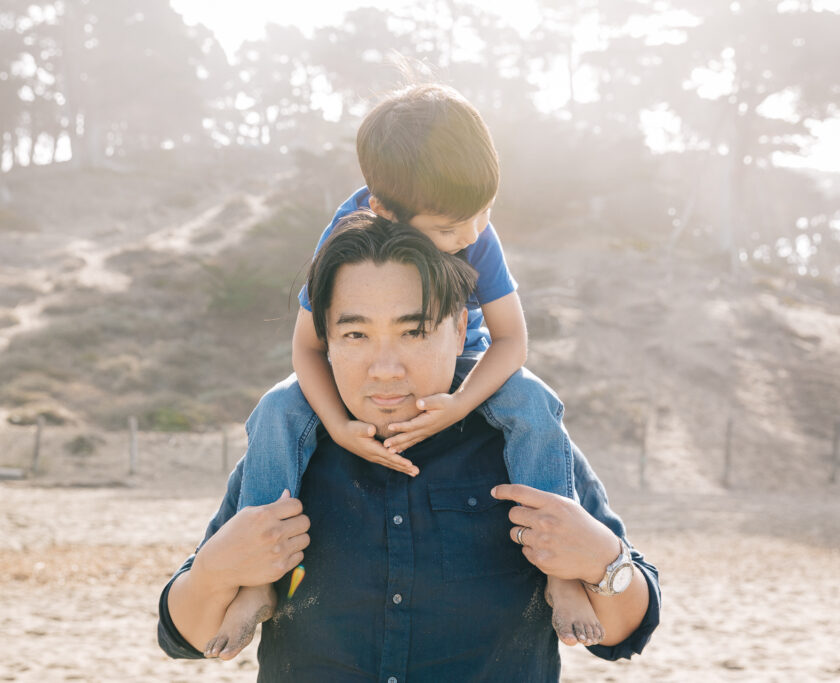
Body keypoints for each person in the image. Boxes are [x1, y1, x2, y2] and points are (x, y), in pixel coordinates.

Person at [157, 215, 661, 680]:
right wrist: (216, 572)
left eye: (414, 331)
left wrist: (603, 562)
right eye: (356, 333)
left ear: (459, 330)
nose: (385, 369)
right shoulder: (287, 444)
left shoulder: (525, 439)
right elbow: (187, 637)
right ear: (325, 338)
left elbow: (624, 633)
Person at [229, 83, 601, 650]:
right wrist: (338, 426)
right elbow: (307, 347)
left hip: (465, 362)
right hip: (373, 359)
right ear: (384, 211)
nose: (470, 234)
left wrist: (460, 403)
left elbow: (511, 340)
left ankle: (562, 575)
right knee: (278, 408)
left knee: (532, 401)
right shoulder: (349, 233)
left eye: (484, 212)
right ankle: (257, 579)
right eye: (449, 229)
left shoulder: (473, 229)